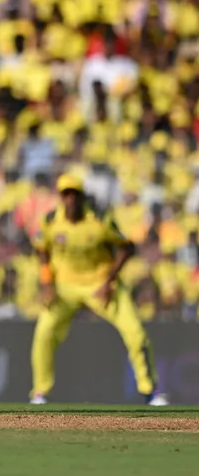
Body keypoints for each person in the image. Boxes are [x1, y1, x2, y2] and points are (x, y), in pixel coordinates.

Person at [29, 174, 168, 406]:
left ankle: (150, 391)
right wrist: (47, 284)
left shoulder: (100, 219)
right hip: (64, 287)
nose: (70, 200)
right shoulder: (51, 220)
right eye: (66, 194)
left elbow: (126, 248)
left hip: (100, 284)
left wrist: (109, 281)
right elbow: (41, 249)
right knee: (44, 334)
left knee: (135, 333)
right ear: (60, 197)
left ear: (82, 197)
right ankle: (40, 393)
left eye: (74, 194)